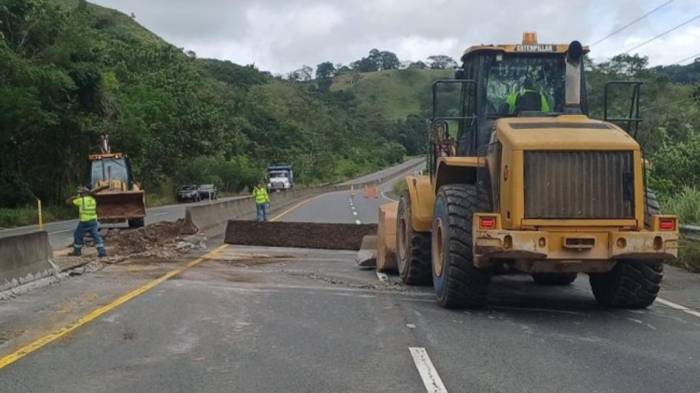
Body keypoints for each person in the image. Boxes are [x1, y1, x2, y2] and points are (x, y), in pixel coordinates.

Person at [67, 186, 107, 257]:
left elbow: (68, 202)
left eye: (80, 193)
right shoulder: (92, 199)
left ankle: (77, 251)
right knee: (96, 236)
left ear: (83, 193)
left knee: (77, 235)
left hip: (84, 221)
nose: (79, 194)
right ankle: (102, 252)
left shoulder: (81, 200)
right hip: (93, 221)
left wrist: (73, 198)